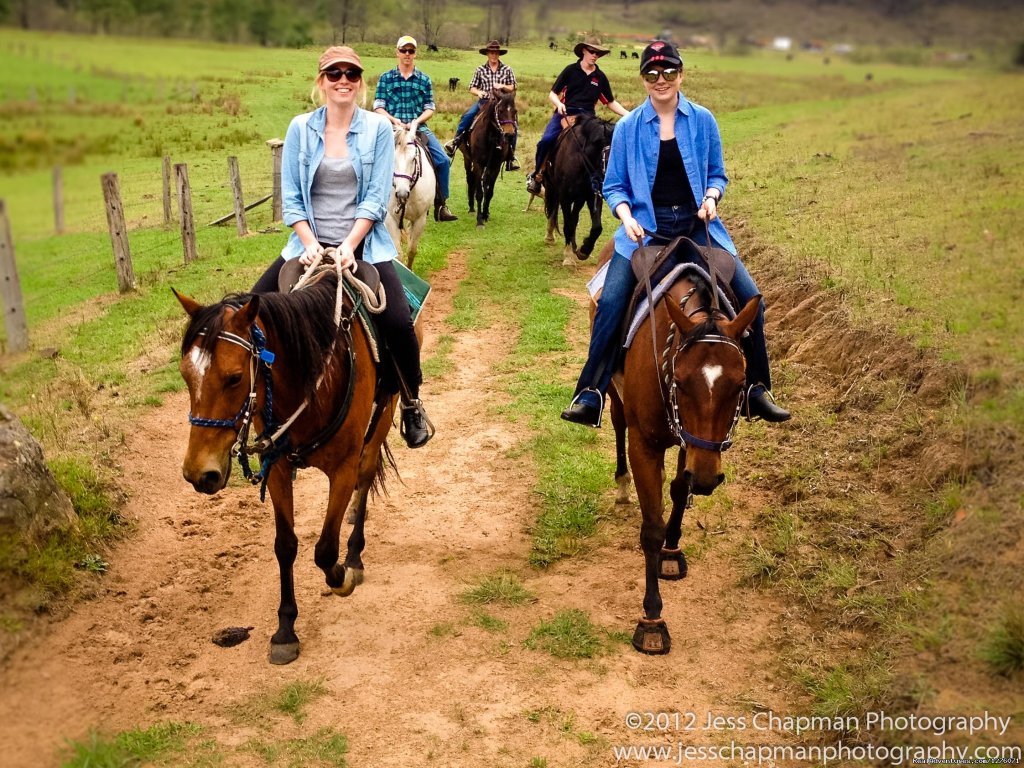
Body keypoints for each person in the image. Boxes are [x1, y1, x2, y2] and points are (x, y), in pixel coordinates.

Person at [560, 40, 791, 427]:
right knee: (611, 300)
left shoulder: (703, 120)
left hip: (697, 226)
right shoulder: (630, 126)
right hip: (644, 231)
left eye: (668, 72)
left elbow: (717, 173)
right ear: (643, 79)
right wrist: (625, 214)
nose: (661, 80)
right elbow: (614, 185)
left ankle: (756, 388)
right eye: (652, 74)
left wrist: (712, 197)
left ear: (681, 75)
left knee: (753, 299)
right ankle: (592, 392)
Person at [252, 45, 433, 448]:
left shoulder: (377, 130)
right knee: (247, 313)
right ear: (322, 82)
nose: (343, 81)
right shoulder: (301, 128)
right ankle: (257, 407)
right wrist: (310, 243)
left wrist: (351, 243)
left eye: (351, 74)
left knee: (400, 324)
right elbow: (294, 199)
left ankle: (411, 402)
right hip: (307, 246)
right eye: (334, 74)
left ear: (360, 82)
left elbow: (374, 197)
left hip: (365, 247)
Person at [525, 35, 629, 195]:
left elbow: (610, 102)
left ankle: (600, 180)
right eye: (592, 52)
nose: (595, 55)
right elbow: (552, 94)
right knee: (545, 141)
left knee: (603, 143)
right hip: (565, 113)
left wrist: (629, 115)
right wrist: (559, 104)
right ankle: (537, 175)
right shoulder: (570, 70)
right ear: (583, 51)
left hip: (588, 118)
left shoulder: (600, 77)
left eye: (598, 53)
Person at [373, 35, 458, 222]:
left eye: (411, 51)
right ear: (397, 52)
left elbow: (430, 108)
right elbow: (378, 106)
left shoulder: (424, 80)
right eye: (403, 50)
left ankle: (441, 204)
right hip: (391, 129)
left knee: (443, 160)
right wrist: (393, 119)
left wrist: (416, 122)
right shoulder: (385, 78)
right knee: (369, 159)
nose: (407, 54)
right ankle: (370, 202)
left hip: (418, 129)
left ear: (415, 54)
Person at [444, 40, 520, 170]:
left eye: (496, 53)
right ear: (487, 54)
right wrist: (479, 92)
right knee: (468, 116)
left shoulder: (507, 70)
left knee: (513, 125)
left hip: (501, 105)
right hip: (484, 103)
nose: (494, 55)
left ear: (499, 54)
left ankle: (511, 156)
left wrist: (502, 86)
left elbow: (513, 87)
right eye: (491, 53)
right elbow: (472, 87)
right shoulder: (480, 70)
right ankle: (455, 142)